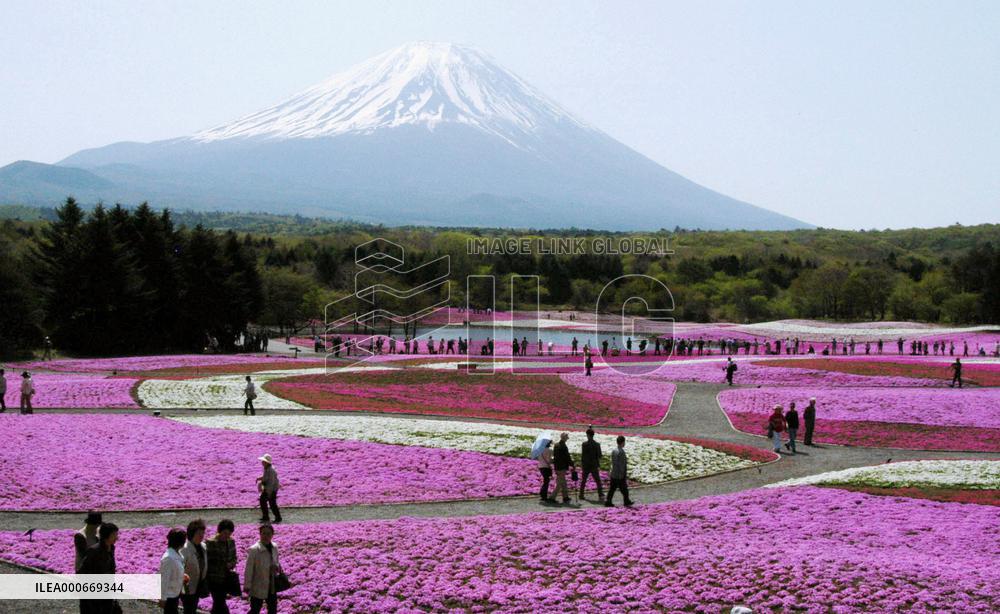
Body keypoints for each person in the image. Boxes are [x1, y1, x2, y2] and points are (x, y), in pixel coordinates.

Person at [78, 522, 119, 614]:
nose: (117, 538)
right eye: (114, 535)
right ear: (106, 536)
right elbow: (83, 572)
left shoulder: (111, 548)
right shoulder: (94, 551)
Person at [244, 524, 282, 614]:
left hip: (271, 584)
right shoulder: (254, 549)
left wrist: (276, 566)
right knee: (255, 609)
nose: (266, 536)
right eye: (263, 533)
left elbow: (276, 561)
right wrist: (247, 585)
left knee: (273, 609)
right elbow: (249, 569)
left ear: (272, 535)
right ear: (260, 534)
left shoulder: (274, 547)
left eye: (269, 534)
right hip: (258, 584)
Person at [206, 519, 238, 614]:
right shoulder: (211, 542)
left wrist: (231, 564)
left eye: (229, 533)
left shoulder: (231, 541)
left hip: (226, 578)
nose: (226, 536)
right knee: (220, 601)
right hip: (214, 578)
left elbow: (234, 557)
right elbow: (207, 560)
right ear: (219, 531)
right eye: (224, 533)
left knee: (218, 603)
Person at [180, 519, 208, 614]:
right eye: (199, 533)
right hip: (187, 587)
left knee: (193, 608)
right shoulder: (184, 549)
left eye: (203, 533)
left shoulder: (203, 546)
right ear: (192, 534)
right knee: (189, 609)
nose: (201, 536)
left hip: (198, 584)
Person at [159, 528, 187, 614]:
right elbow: (164, 580)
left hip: (175, 593)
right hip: (169, 596)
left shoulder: (177, 554)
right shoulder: (169, 558)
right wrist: (162, 599)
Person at [605, 436, 633, 507]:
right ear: (623, 442)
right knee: (624, 489)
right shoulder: (621, 452)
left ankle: (608, 501)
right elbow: (621, 464)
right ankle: (626, 501)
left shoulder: (614, 450)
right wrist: (623, 473)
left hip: (613, 472)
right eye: (624, 442)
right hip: (619, 474)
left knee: (612, 488)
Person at [579, 427, 604, 502]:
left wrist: (582, 464)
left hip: (586, 465)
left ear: (588, 435)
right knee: (598, 481)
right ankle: (600, 494)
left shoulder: (584, 444)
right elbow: (600, 455)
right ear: (593, 435)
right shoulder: (597, 444)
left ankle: (581, 494)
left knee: (584, 480)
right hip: (594, 465)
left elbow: (583, 456)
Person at [257, 454, 282, 523]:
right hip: (268, 487)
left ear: (267, 462)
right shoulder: (267, 468)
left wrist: (269, 492)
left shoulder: (271, 471)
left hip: (271, 489)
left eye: (263, 461)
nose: (262, 462)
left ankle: (278, 518)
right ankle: (266, 517)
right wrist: (260, 478)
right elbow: (265, 477)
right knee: (263, 501)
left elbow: (271, 482)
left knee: (272, 503)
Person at [552, 433, 575, 504]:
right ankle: (552, 497)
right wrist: (572, 464)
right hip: (562, 467)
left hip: (557, 466)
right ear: (564, 438)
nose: (567, 439)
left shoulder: (556, 445)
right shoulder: (564, 446)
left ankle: (565, 497)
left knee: (563, 482)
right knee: (559, 483)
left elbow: (555, 456)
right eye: (566, 437)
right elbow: (567, 457)